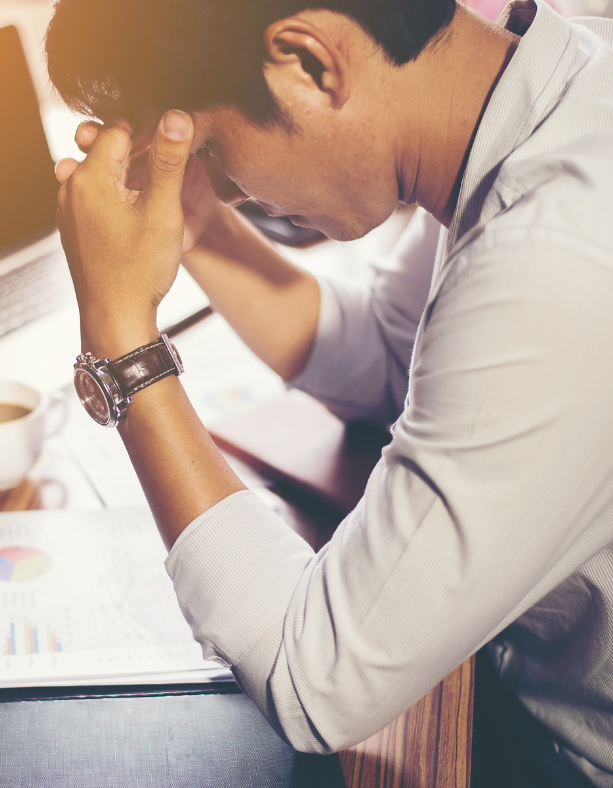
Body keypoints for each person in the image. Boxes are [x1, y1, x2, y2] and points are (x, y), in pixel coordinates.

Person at [44, 0, 613, 784]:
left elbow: (317, 679)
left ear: (312, 63)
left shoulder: (555, 257)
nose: (226, 185)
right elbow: (390, 352)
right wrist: (198, 225)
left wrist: (119, 337)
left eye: (209, 148)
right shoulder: (537, 79)